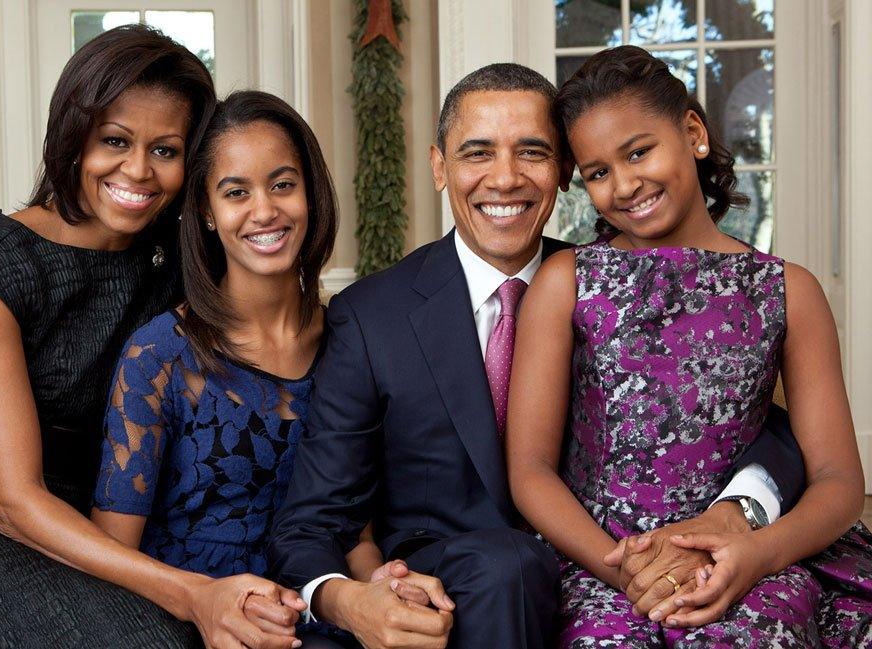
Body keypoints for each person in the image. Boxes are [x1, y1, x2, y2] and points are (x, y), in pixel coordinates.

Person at [268, 62, 808, 649]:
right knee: (508, 566)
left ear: (565, 170)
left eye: (532, 151)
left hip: (608, 570)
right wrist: (354, 597)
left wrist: (743, 503)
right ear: (439, 166)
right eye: (477, 154)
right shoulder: (372, 317)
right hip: (460, 590)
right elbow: (312, 521)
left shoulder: (610, 285)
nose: (505, 179)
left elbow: (734, 408)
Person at [0, 26, 303, 649]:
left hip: (110, 511)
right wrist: (192, 593)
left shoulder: (180, 257)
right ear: (71, 137)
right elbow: (15, 503)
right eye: (114, 141)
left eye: (165, 150)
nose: (137, 171)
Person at [507, 45, 872, 647]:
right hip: (604, 559)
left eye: (639, 151)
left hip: (748, 557)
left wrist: (754, 554)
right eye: (597, 173)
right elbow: (530, 470)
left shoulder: (790, 290)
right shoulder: (566, 281)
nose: (624, 184)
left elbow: (838, 478)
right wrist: (626, 571)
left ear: (694, 134)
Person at [90, 90, 338, 644]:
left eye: (282, 185)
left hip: (319, 611)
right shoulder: (158, 356)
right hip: (185, 621)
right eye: (235, 191)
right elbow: (112, 557)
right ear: (205, 210)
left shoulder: (353, 341)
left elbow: (359, 524)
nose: (264, 210)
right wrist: (202, 604)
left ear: (310, 194)